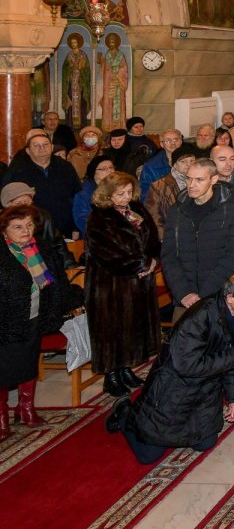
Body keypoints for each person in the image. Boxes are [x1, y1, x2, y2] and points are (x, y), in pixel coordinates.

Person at [106, 273, 234, 463]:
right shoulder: (199, 317)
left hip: (206, 389)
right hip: (174, 387)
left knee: (205, 443)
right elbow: (188, 365)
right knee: (148, 456)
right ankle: (124, 410)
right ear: (230, 298)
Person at [84, 171, 161, 398]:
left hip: (138, 282)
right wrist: (140, 264)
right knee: (112, 331)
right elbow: (107, 253)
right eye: (120, 193)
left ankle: (125, 369)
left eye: (129, 192)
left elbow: (153, 237)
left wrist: (153, 259)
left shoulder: (135, 210)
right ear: (108, 195)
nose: (126, 197)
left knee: (131, 328)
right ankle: (111, 376)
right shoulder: (99, 218)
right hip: (110, 285)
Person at [0, 204, 66, 437]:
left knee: (28, 363)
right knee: (4, 369)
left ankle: (26, 408)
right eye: (17, 227)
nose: (25, 231)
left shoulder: (41, 249)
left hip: (35, 316)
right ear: (4, 229)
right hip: (6, 321)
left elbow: (57, 281)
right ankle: (1, 418)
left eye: (29, 225)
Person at [161, 158, 234, 317]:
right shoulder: (177, 210)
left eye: (199, 180)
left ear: (214, 179)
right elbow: (169, 255)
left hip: (217, 294)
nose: (191, 184)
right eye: (188, 178)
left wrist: (205, 293)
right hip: (184, 297)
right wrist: (183, 293)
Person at [3, 131, 81, 237]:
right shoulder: (18, 171)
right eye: (36, 145)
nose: (42, 148)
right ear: (28, 151)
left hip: (65, 227)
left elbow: (77, 196)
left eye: (45, 144)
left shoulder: (65, 167)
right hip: (32, 230)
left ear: (52, 147)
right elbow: (9, 203)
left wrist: (75, 227)